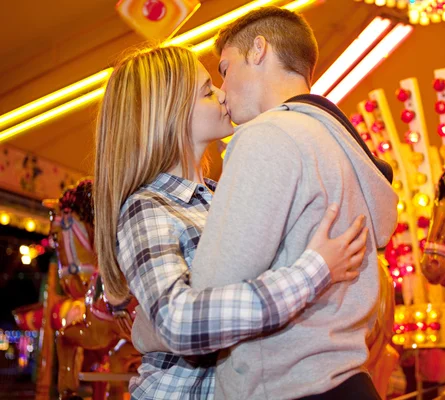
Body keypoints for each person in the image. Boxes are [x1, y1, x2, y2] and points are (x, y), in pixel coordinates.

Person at [93, 45, 370, 399]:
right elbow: (178, 321)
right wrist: (313, 273)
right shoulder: (146, 207)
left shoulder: (221, 195)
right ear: (168, 113)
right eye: (208, 92)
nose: (224, 96)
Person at [189, 6, 399, 400]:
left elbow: (209, 293)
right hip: (348, 377)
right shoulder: (337, 143)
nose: (222, 89)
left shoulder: (267, 135)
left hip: (285, 385)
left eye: (224, 68)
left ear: (258, 50)